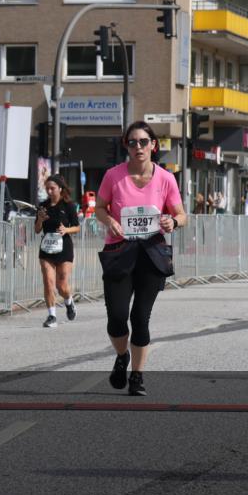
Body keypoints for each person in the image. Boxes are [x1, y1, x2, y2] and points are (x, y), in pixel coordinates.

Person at [95, 121, 186, 397]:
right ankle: (122, 356)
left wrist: (173, 222)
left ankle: (137, 375)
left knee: (140, 318)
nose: (138, 147)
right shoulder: (113, 176)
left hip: (152, 254)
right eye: (132, 142)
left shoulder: (166, 178)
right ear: (127, 146)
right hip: (119, 253)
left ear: (153, 145)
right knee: (117, 319)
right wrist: (109, 220)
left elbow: (182, 214)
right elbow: (99, 207)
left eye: (143, 142)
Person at [34, 175, 80, 328]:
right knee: (48, 281)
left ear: (60, 188)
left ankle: (69, 301)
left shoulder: (68, 205)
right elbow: (37, 229)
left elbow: (77, 227)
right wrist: (40, 219)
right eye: (47, 188)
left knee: (62, 285)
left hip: (64, 248)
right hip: (47, 248)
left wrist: (66, 229)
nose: (49, 191)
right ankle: (51, 315)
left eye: (52, 188)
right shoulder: (42, 206)